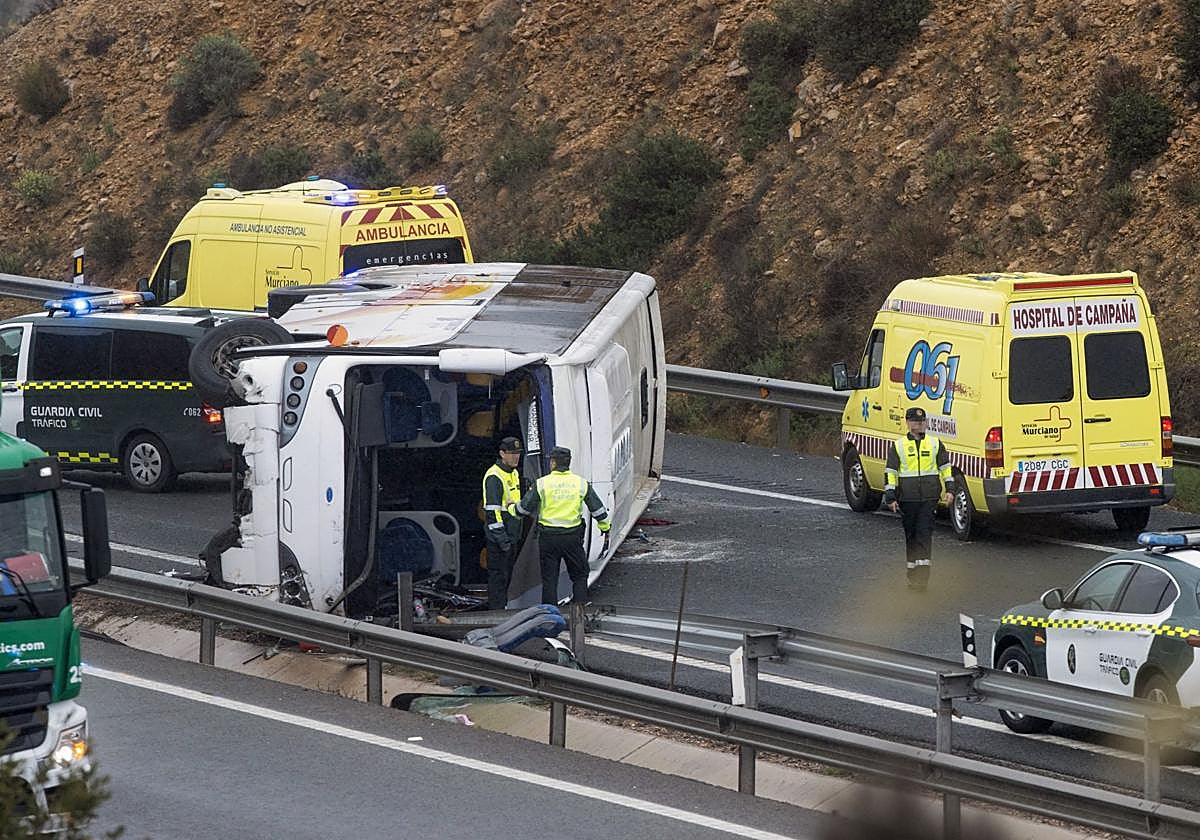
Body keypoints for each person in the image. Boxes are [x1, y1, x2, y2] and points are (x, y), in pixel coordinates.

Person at [511, 446, 611, 604]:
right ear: (568, 463)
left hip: (548, 538)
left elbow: (523, 509)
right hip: (572, 538)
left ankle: (549, 616)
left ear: (552, 463)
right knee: (579, 575)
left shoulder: (542, 484)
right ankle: (579, 611)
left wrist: (511, 508)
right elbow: (597, 509)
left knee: (549, 579)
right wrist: (605, 528)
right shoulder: (580, 484)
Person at [883, 407, 954, 591]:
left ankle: (922, 579)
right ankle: (912, 575)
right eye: (915, 421)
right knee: (911, 537)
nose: (919, 424)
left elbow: (946, 468)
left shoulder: (935, 444)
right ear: (907, 422)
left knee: (924, 535)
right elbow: (891, 473)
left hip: (928, 498)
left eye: (922, 421)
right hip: (908, 499)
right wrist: (890, 497)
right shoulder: (898, 446)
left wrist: (950, 489)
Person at [482, 436, 525, 609]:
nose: (516, 457)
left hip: (512, 535)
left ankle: (504, 608)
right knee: (498, 577)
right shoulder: (494, 476)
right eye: (512, 453)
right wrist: (503, 540)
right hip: (500, 538)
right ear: (502, 454)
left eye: (518, 453)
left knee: (507, 577)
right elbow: (493, 513)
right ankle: (497, 612)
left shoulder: (513, 473)